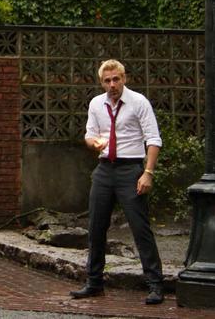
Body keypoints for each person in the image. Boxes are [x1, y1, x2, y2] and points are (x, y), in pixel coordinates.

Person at [70, 59, 164, 305]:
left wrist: (148, 173)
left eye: (116, 79)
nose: (112, 84)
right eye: (107, 80)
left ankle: (155, 285)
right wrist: (94, 143)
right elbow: (89, 135)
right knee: (96, 227)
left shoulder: (138, 102)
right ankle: (94, 283)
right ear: (102, 82)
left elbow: (153, 139)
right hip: (104, 169)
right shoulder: (96, 104)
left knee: (140, 228)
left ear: (124, 78)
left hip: (130, 168)